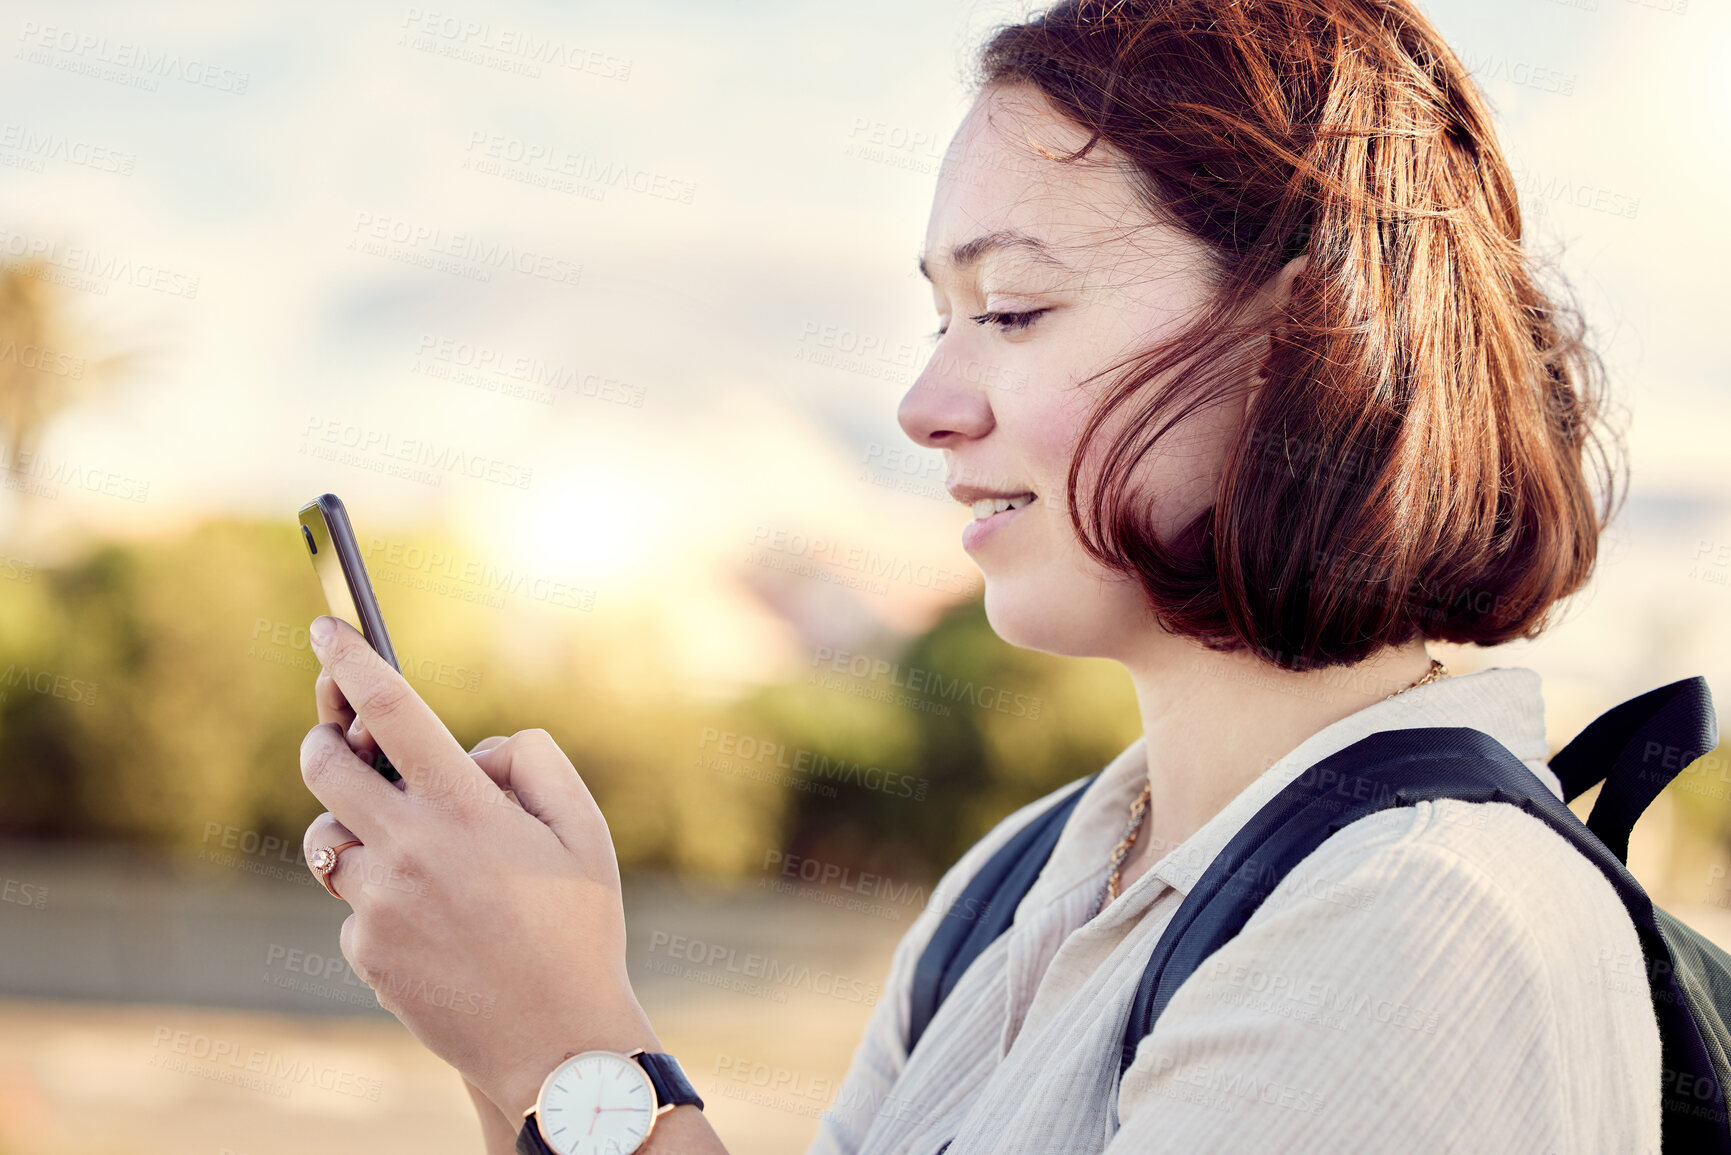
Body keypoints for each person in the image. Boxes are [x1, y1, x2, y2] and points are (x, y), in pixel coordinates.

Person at [298, 1, 1659, 1151]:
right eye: (939, 318)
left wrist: (571, 1051)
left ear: (1310, 337)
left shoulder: (1417, 924)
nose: (925, 402)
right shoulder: (1015, 888)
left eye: (1012, 309)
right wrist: (515, 1039)